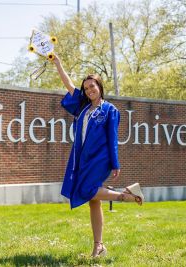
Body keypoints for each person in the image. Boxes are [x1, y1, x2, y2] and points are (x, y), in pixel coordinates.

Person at [52, 54, 145, 258]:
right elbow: (68, 85)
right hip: (83, 158)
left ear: (100, 87)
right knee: (94, 200)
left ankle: (126, 196)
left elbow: (112, 137)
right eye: (86, 88)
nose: (89, 90)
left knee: (87, 190)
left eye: (92, 86)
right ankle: (98, 246)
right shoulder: (83, 107)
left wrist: (115, 162)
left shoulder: (110, 110)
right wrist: (58, 63)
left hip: (100, 158)